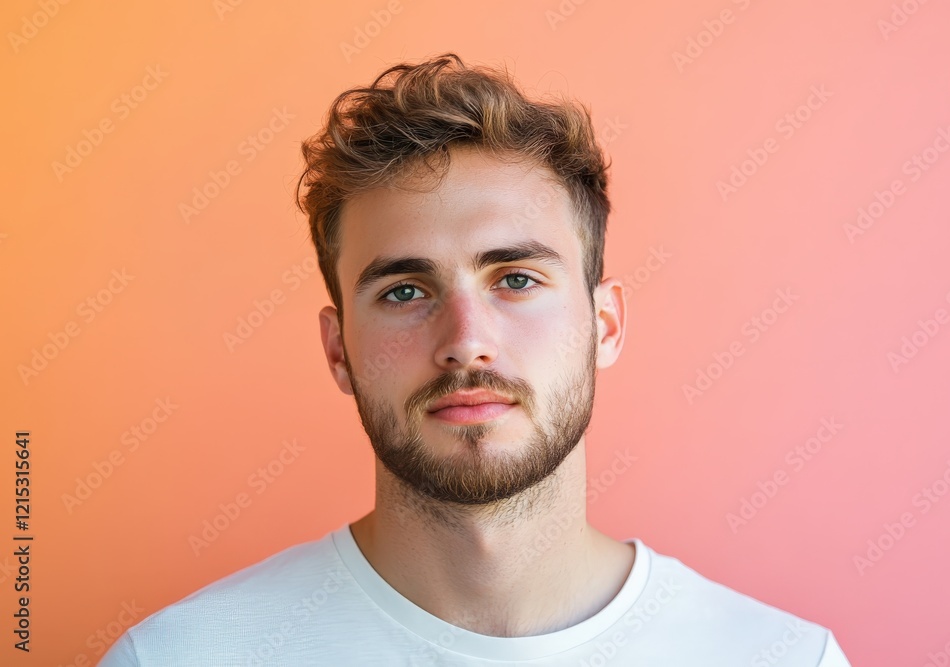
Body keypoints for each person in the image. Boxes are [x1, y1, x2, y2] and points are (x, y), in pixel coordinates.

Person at [99, 52, 851, 666]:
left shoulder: (782, 657)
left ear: (605, 323)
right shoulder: (177, 657)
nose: (465, 338)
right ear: (337, 349)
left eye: (516, 279)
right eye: (403, 291)